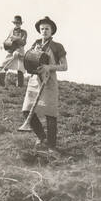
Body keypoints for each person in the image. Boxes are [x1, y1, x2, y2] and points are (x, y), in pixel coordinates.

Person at [21, 16, 67, 151]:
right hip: (34, 80)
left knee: (50, 114)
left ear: (52, 31)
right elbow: (29, 59)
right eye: (42, 29)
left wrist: (48, 67)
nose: (44, 31)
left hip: (49, 81)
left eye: (47, 28)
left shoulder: (57, 46)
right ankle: (42, 138)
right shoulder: (35, 44)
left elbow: (65, 66)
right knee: (26, 110)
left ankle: (52, 146)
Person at [0, 15, 27, 87]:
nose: (17, 24)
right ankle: (0, 82)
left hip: (19, 51)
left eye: (18, 23)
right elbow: (7, 39)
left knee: (20, 68)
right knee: (3, 65)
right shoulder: (11, 30)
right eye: (15, 23)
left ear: (21, 24)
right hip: (11, 50)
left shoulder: (24, 32)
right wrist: (3, 44)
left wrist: (16, 39)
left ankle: (20, 85)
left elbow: (23, 42)